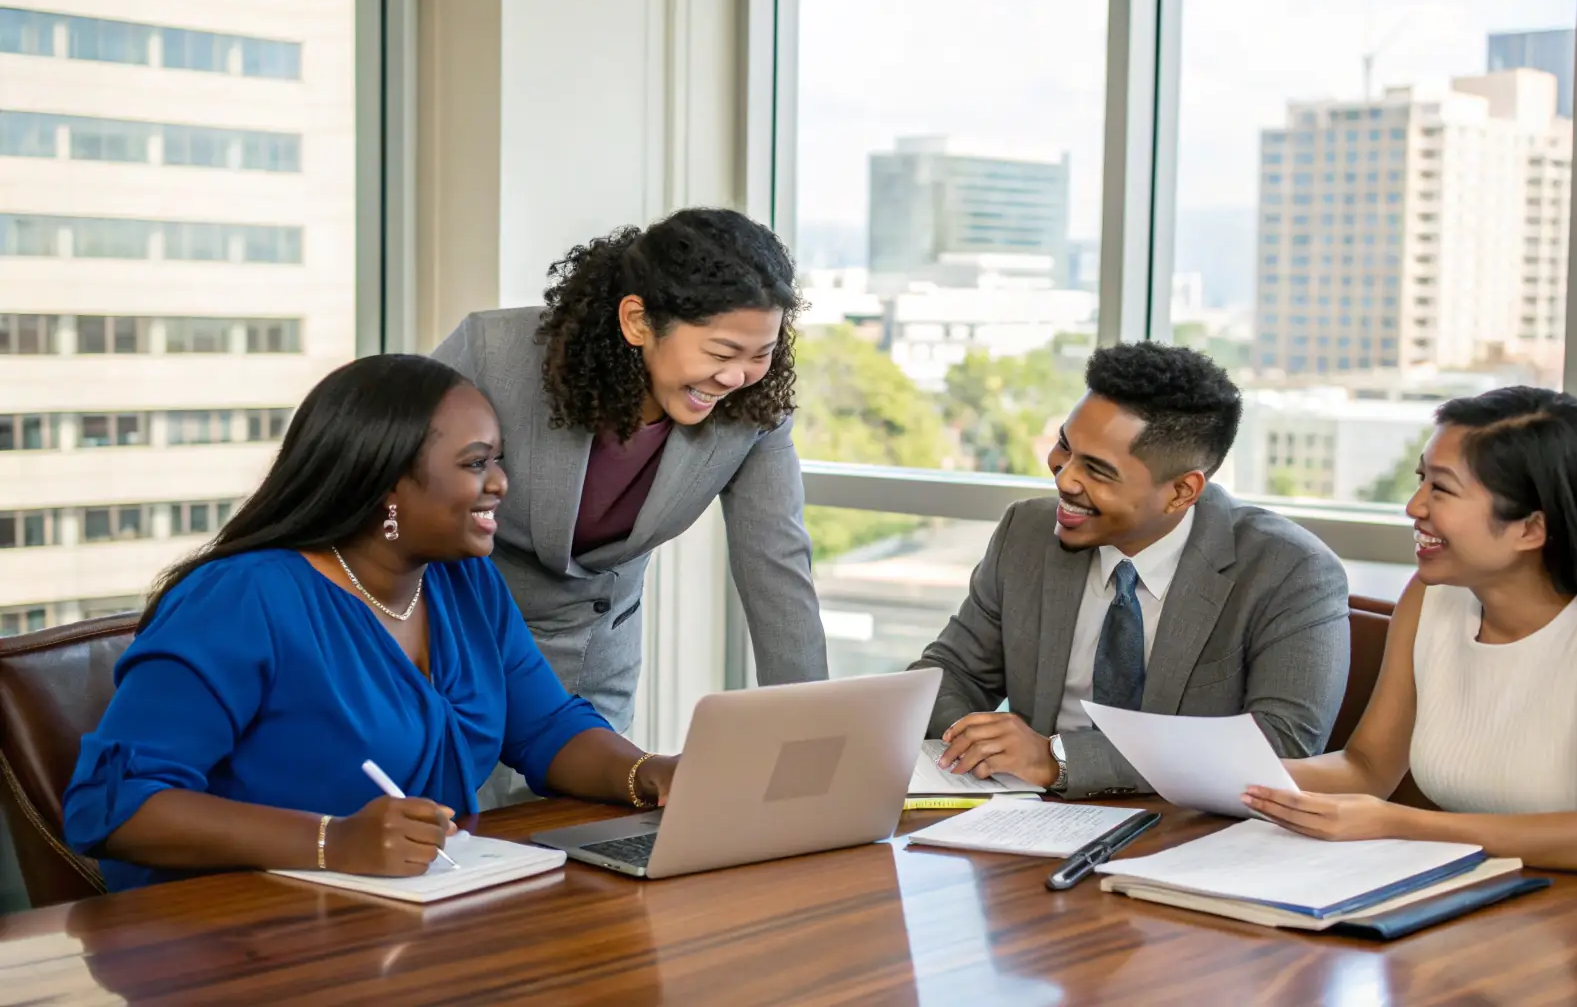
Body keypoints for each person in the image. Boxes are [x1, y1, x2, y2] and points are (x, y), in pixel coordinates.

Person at [62, 355, 678, 891]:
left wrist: (645, 773)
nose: (500, 483)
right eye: (475, 463)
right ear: (387, 484)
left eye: (499, 460)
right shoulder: (243, 599)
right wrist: (334, 842)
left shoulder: (462, 583)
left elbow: (545, 726)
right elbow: (113, 807)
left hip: (409, 921)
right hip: (230, 937)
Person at [432, 208, 825, 804]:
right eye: (721, 351)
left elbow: (778, 566)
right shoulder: (495, 353)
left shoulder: (753, 413)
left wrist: (810, 743)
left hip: (591, 659)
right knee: (459, 836)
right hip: (460, 639)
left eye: (761, 353)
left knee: (574, 856)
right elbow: (382, 477)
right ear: (638, 320)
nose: (739, 376)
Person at [1243, 387, 1577, 878]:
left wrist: (1398, 825)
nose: (1414, 506)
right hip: (1465, 893)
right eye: (1422, 479)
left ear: (1531, 528)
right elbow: (1366, 769)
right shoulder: (1430, 596)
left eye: (1441, 489)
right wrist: (1224, 776)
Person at [913, 342, 1350, 798]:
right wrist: (976, 740)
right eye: (1065, 446)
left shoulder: (1290, 571)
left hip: (1193, 836)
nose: (1064, 478)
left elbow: (1281, 745)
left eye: (1097, 471)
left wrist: (1058, 759)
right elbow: (950, 672)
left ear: (1182, 491)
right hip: (1026, 818)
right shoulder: (1026, 531)